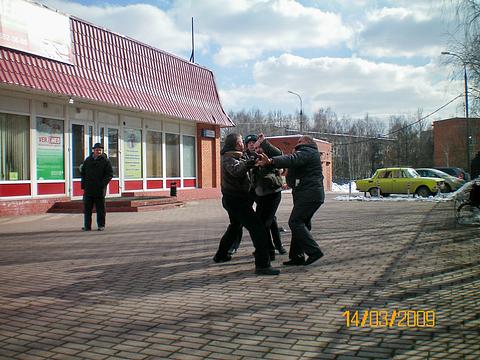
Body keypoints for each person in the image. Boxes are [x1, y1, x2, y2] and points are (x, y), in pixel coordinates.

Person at [214, 133, 280, 276]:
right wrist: (250, 163)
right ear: (236, 144)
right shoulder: (228, 158)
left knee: (235, 226)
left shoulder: (238, 155)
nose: (244, 144)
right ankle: (263, 265)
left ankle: (221, 255)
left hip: (237, 199)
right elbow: (237, 170)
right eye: (241, 141)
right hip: (235, 201)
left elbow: (247, 165)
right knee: (258, 229)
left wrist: (256, 161)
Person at [257, 135, 324, 266]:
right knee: (301, 224)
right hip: (307, 193)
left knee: (295, 222)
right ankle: (297, 257)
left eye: (299, 141)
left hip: (309, 194)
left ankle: (314, 251)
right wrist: (265, 144)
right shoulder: (306, 153)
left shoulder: (308, 151)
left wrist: (271, 162)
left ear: (306, 142)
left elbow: (292, 159)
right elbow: (287, 158)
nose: (297, 143)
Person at [251, 133, 287, 258]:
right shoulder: (252, 158)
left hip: (272, 193)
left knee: (266, 222)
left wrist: (264, 142)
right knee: (265, 223)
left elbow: (280, 155)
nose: (256, 149)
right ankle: (269, 249)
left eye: (257, 146)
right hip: (260, 196)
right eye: (254, 147)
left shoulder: (270, 156)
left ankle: (273, 249)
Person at [80, 143, 113, 231]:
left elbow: (109, 174)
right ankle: (87, 226)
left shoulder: (106, 161)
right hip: (89, 189)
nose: (98, 151)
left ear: (102, 151)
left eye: (100, 150)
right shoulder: (88, 160)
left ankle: (101, 225)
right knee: (87, 209)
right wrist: (83, 185)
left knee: (100, 209)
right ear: (93, 150)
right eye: (96, 150)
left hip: (99, 190)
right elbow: (83, 173)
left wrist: (102, 184)